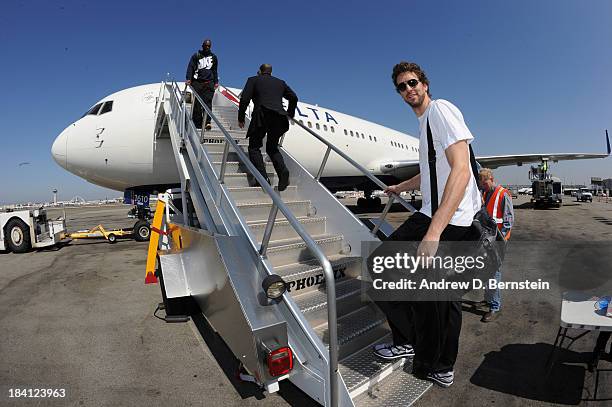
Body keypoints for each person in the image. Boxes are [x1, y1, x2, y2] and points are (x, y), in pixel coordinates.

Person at [372, 62, 481, 389]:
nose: (409, 90)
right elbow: (434, 170)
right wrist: (401, 188)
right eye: (402, 86)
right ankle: (427, 353)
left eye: (413, 82)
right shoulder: (425, 125)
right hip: (439, 212)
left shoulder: (440, 110)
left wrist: (434, 232)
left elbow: (461, 170)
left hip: (449, 218)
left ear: (425, 83)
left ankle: (427, 354)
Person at [237, 64, 297, 192]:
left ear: (259, 71)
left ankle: (263, 179)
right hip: (279, 117)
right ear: (271, 72)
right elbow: (294, 97)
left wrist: (241, 118)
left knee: (254, 147)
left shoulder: (253, 80)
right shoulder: (280, 82)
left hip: (262, 115)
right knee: (272, 147)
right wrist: (290, 114)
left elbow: (245, 99)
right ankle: (283, 173)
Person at [475, 168, 513, 322]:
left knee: (494, 274)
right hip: (486, 241)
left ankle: (494, 306)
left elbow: (508, 222)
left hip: (496, 242)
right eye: (481, 184)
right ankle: (488, 299)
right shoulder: (485, 193)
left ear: (491, 178)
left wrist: (500, 242)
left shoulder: (503, 194)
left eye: (484, 183)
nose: (483, 186)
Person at [186, 39, 218, 130]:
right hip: (197, 82)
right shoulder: (196, 55)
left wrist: (216, 82)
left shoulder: (214, 57)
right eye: (205, 45)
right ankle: (198, 123)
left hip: (209, 83)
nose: (207, 47)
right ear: (202, 45)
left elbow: (215, 70)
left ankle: (207, 122)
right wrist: (189, 78)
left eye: (209, 46)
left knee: (208, 103)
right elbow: (190, 67)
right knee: (197, 103)